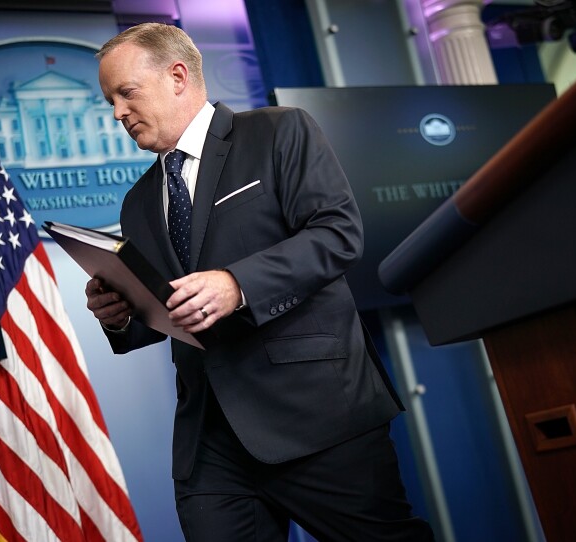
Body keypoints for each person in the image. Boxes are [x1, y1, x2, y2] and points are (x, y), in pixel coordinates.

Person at [87, 22, 434, 541]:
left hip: (319, 419)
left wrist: (236, 283)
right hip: (210, 442)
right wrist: (122, 317)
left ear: (178, 76)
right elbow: (164, 313)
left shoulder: (279, 131)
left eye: (126, 93)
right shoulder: (138, 202)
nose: (118, 112)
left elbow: (338, 234)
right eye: (110, 100)